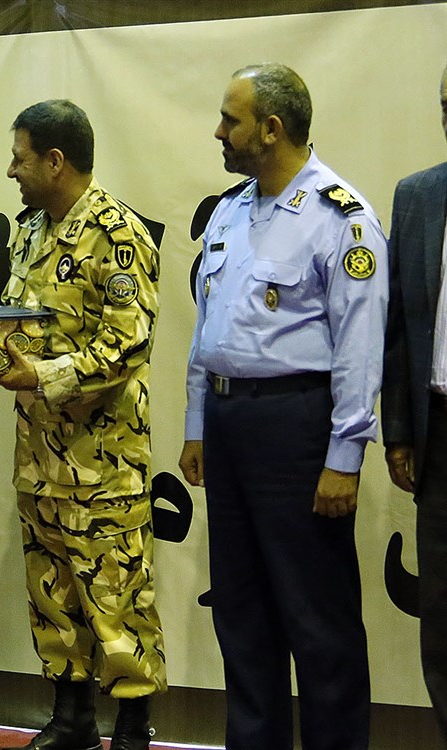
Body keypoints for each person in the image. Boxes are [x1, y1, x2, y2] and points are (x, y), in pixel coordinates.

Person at [178, 64, 386, 750]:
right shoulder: (230, 210)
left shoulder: (340, 218)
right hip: (230, 424)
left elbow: (360, 348)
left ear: (270, 129)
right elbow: (209, 329)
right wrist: (197, 423)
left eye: (230, 120)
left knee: (317, 621)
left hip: (297, 427)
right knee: (242, 616)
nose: (219, 132)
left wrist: (344, 457)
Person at [0, 100, 165, 750]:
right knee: (53, 592)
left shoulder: (117, 234)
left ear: (55, 161)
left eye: (20, 158)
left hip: (102, 461)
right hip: (38, 456)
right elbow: (18, 321)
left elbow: (126, 346)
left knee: (117, 595)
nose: (11, 171)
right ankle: (72, 718)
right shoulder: (31, 231)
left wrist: (40, 376)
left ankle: (132, 727)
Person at [382, 63, 447, 743]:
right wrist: (398, 430)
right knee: (443, 619)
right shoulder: (418, 196)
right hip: (440, 434)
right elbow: (398, 325)